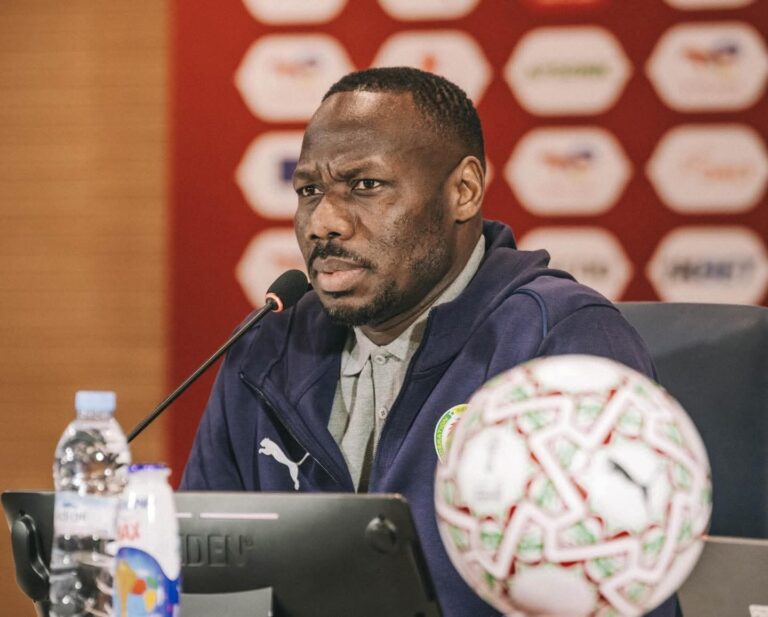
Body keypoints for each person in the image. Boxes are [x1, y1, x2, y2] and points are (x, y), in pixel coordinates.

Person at [181, 67, 680, 617]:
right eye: (309, 191)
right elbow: (203, 590)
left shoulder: (560, 344)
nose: (324, 222)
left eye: (365, 186)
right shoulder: (265, 348)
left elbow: (619, 596)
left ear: (463, 191)